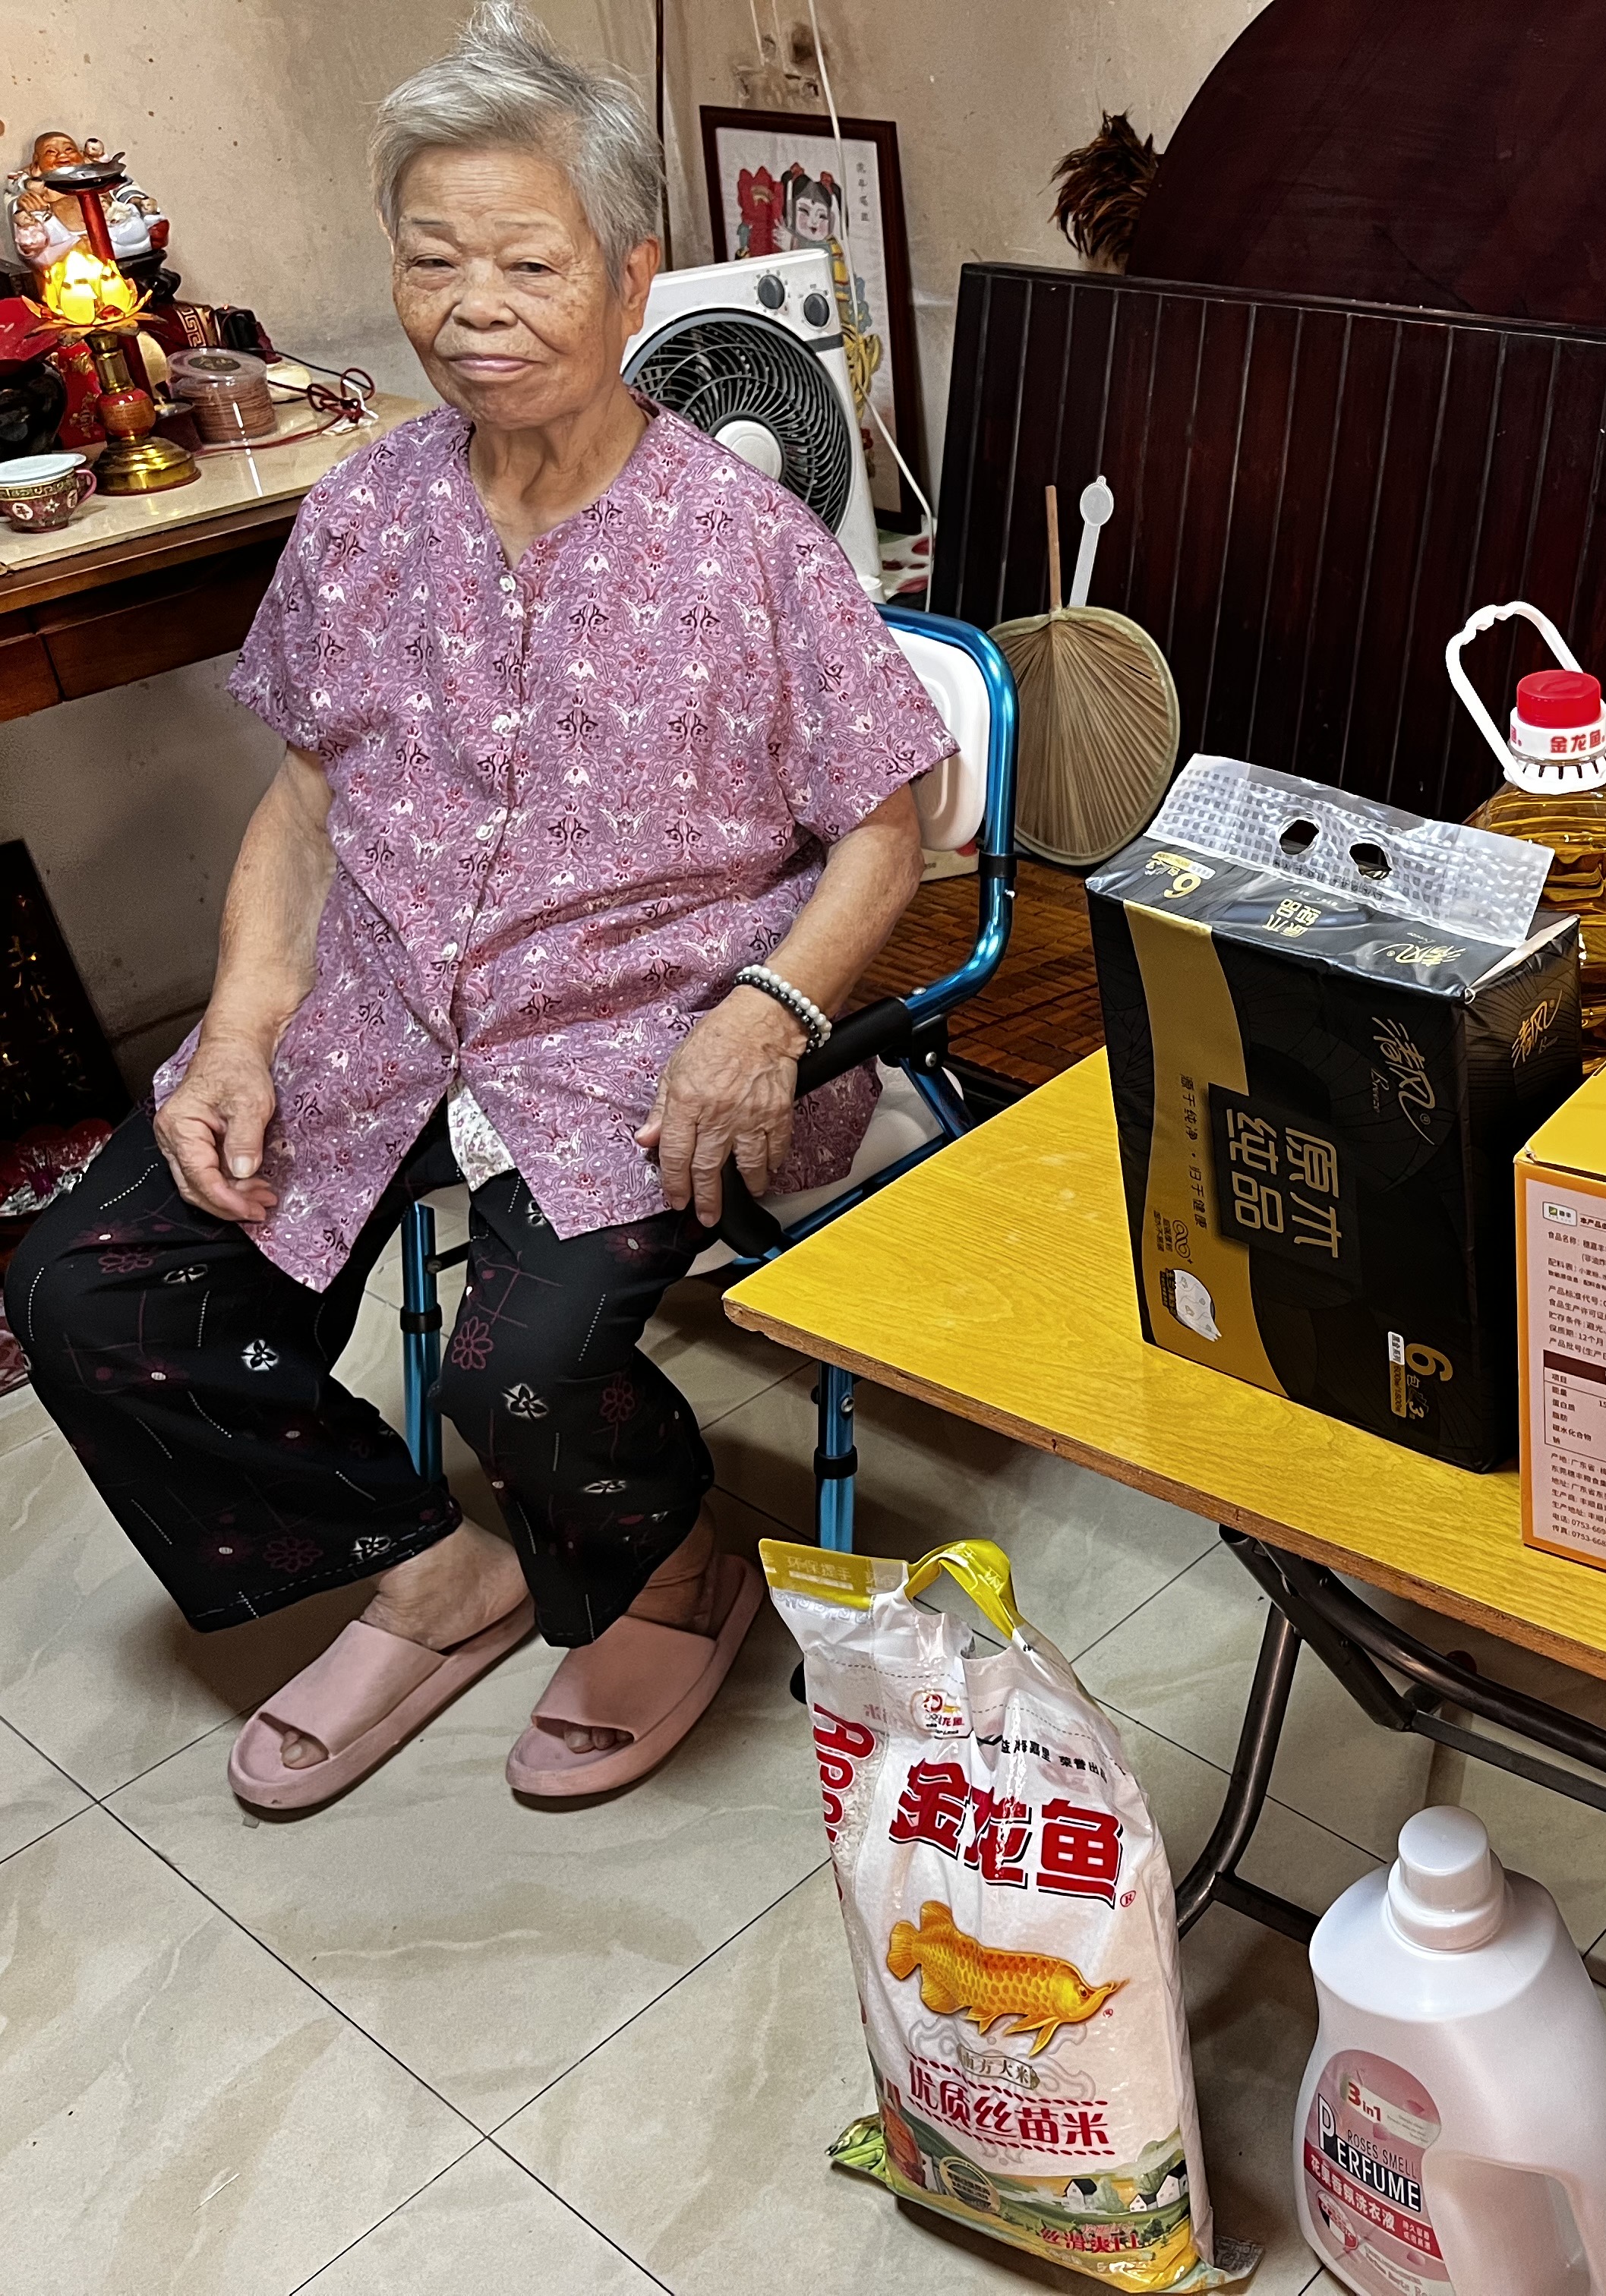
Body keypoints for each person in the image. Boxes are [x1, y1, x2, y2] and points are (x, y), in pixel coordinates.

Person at [5, 3, 951, 1812]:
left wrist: (770, 1016)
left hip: (639, 1035)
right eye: (432, 260)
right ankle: (436, 1574)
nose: (472, 306)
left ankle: (675, 1570)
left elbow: (882, 835)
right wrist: (243, 1030)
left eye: (527, 261)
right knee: (86, 1291)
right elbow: (306, 805)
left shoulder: (745, 545)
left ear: (630, 275)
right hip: (375, 1015)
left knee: (521, 1370)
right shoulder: (363, 513)